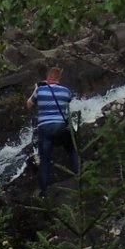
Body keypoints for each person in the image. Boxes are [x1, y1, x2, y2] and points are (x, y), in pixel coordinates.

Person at [27, 67, 78, 196]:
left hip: (45, 128)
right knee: (72, 150)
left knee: (45, 161)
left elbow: (29, 105)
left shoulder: (40, 90)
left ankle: (44, 193)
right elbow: (71, 103)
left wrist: (36, 89)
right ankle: (80, 176)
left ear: (47, 78)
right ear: (59, 78)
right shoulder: (66, 91)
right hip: (61, 127)